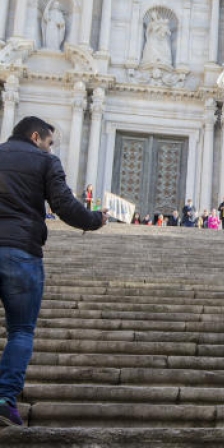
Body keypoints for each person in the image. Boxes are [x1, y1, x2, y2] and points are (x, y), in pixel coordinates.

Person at [0, 116, 109, 426]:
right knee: (20, 330)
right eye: (49, 142)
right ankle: (5, 400)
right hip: (21, 251)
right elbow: (62, 204)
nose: (50, 148)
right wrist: (94, 220)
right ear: (36, 137)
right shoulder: (45, 161)